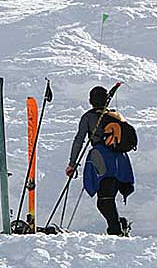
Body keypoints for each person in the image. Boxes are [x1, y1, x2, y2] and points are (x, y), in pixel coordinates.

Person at [66, 86, 135, 236]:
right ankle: (118, 226)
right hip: (121, 160)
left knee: (104, 200)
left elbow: (79, 140)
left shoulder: (88, 117)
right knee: (108, 198)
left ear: (90, 101)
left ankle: (116, 230)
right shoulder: (116, 116)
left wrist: (72, 164)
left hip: (102, 159)